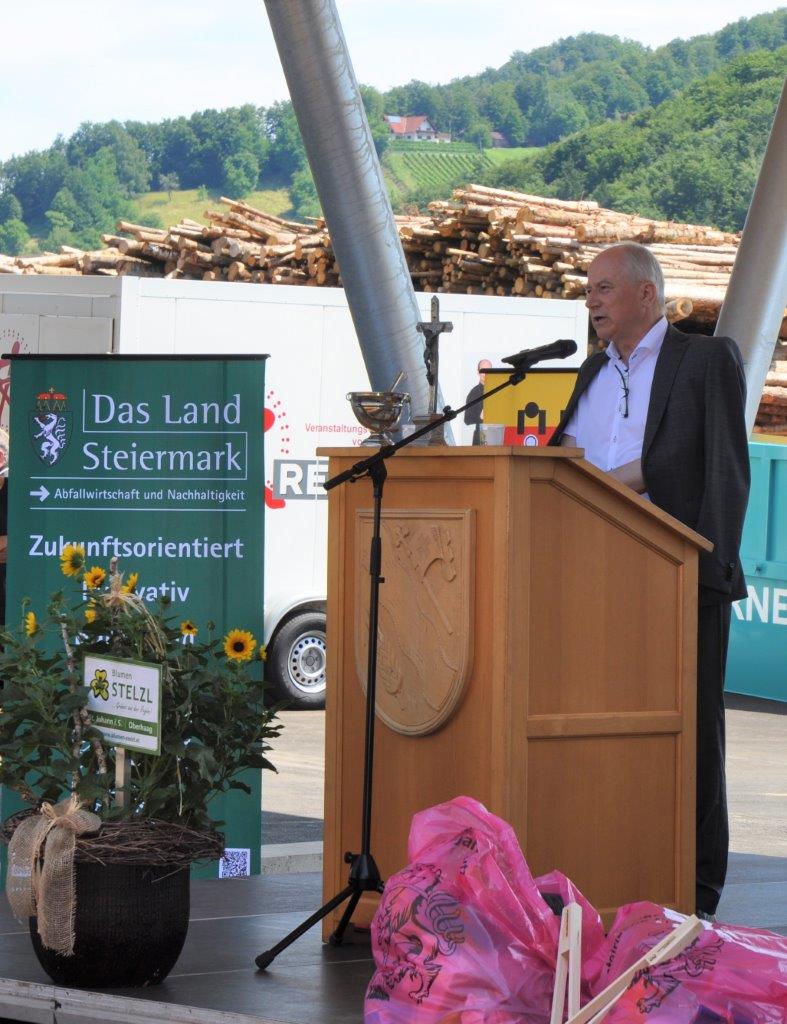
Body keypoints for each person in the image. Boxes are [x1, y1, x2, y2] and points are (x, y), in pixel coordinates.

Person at [550, 241, 750, 920]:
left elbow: (721, 470)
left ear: (644, 294)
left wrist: (709, 573)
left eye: (602, 288)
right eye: (587, 290)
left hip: (675, 582)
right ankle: (614, 871)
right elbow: (565, 472)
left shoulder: (702, 360)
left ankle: (695, 892)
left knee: (692, 742)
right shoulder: (587, 374)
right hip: (591, 587)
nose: (591, 301)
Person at [464, 359, 493, 445]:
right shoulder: (474, 393)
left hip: (497, 436)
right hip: (480, 439)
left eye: (488, 370)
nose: (485, 373)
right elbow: (467, 419)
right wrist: (479, 417)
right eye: (483, 370)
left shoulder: (498, 390)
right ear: (478, 371)